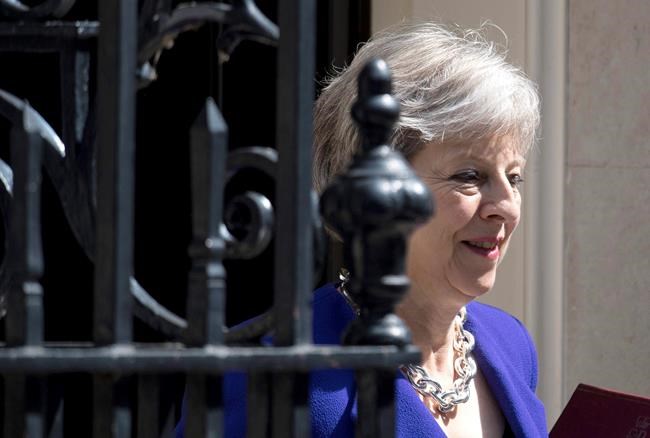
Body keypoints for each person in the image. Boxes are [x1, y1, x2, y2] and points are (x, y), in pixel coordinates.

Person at [178, 21, 546, 437]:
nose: (506, 208)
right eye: (469, 176)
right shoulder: (270, 376)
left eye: (513, 178)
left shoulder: (510, 344)